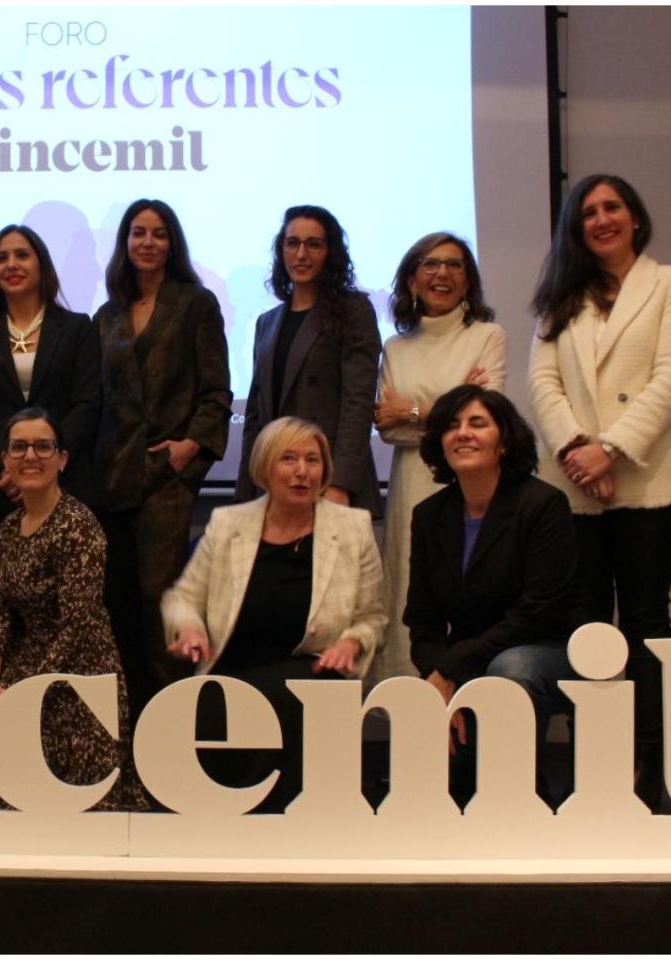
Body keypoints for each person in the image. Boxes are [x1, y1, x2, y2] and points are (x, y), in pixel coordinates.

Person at [526, 173, 671, 810]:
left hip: (650, 480)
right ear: (576, 228)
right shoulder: (558, 295)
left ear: (634, 216)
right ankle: (601, 765)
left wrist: (612, 449)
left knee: (649, 621)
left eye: (612, 208)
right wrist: (578, 451)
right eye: (588, 212)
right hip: (575, 488)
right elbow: (542, 384)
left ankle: (656, 771)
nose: (601, 219)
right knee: (589, 627)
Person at [0, 408, 148, 811]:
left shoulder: (78, 526)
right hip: (27, 645)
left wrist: (19, 692)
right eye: (19, 447)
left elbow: (76, 627)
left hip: (76, 662)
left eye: (42, 446)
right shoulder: (11, 524)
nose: (30, 456)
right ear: (5, 460)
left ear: (62, 459)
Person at [162, 416, 386, 812]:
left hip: (313, 671)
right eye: (289, 459)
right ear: (265, 467)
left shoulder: (352, 528)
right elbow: (182, 599)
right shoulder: (228, 524)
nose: (302, 472)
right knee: (211, 703)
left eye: (313, 461)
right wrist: (190, 629)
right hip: (234, 669)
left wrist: (352, 642)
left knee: (287, 695)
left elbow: (372, 618)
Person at [404, 386, 582, 804]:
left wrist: (453, 673)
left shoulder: (543, 505)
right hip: (474, 659)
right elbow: (422, 620)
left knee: (510, 666)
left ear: (503, 442)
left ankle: (519, 799)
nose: (462, 434)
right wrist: (440, 681)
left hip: (547, 651)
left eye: (477, 423)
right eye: (451, 426)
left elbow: (534, 615)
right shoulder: (429, 516)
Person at [93, 198, 232, 708]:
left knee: (162, 607)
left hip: (166, 483)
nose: (147, 242)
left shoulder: (195, 303)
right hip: (112, 484)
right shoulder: (105, 316)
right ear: (125, 243)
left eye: (158, 233)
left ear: (172, 243)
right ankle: (127, 735)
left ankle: (172, 729)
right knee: (118, 611)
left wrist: (189, 450)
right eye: (137, 232)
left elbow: (216, 391)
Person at [373, 232, 508, 685]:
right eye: (430, 265)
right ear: (412, 280)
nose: (442, 274)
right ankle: (417, 712)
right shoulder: (395, 345)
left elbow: (485, 412)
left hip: (472, 487)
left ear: (468, 280)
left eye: (454, 265)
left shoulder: (488, 336)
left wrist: (414, 409)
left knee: (472, 594)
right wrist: (452, 403)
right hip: (412, 485)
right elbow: (388, 428)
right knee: (416, 600)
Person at [0, 224, 101, 587]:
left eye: (22, 255)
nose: (11, 264)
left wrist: (45, 465)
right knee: (1, 607)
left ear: (41, 266)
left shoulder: (78, 328)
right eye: (1, 258)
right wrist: (9, 468)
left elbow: (88, 404)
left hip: (63, 492)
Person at [236, 205, 381, 514]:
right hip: (272, 480)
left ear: (330, 252)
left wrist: (341, 483)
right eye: (292, 243)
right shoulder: (267, 322)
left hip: (327, 478)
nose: (301, 254)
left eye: (313, 244)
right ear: (282, 251)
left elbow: (358, 402)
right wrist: (246, 490)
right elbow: (254, 416)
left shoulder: (353, 311)